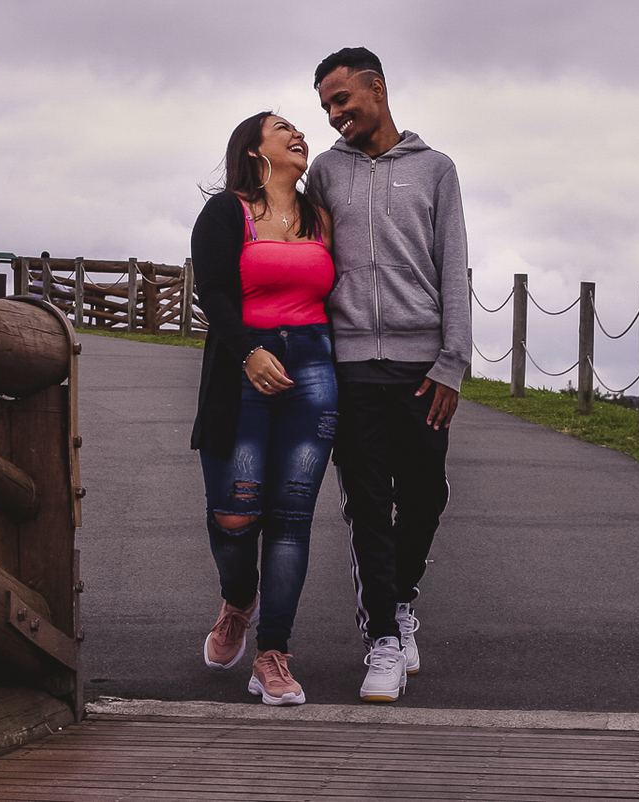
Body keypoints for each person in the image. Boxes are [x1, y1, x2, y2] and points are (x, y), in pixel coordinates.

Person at [307, 48, 470, 702]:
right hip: (350, 367)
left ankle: (402, 603)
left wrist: (452, 361)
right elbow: (308, 260)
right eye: (325, 107)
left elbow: (453, 266)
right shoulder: (323, 172)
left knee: (426, 494)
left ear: (376, 87)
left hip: (422, 366)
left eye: (342, 100)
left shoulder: (436, 170)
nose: (334, 115)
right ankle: (382, 639)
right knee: (368, 507)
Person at [189, 111, 337, 706]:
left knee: (291, 519)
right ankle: (238, 600)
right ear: (255, 150)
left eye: (300, 127)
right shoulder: (227, 212)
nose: (299, 133)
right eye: (283, 128)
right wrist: (249, 350)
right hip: (241, 367)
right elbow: (213, 292)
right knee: (233, 514)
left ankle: (272, 654)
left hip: (313, 367)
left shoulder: (321, 218)